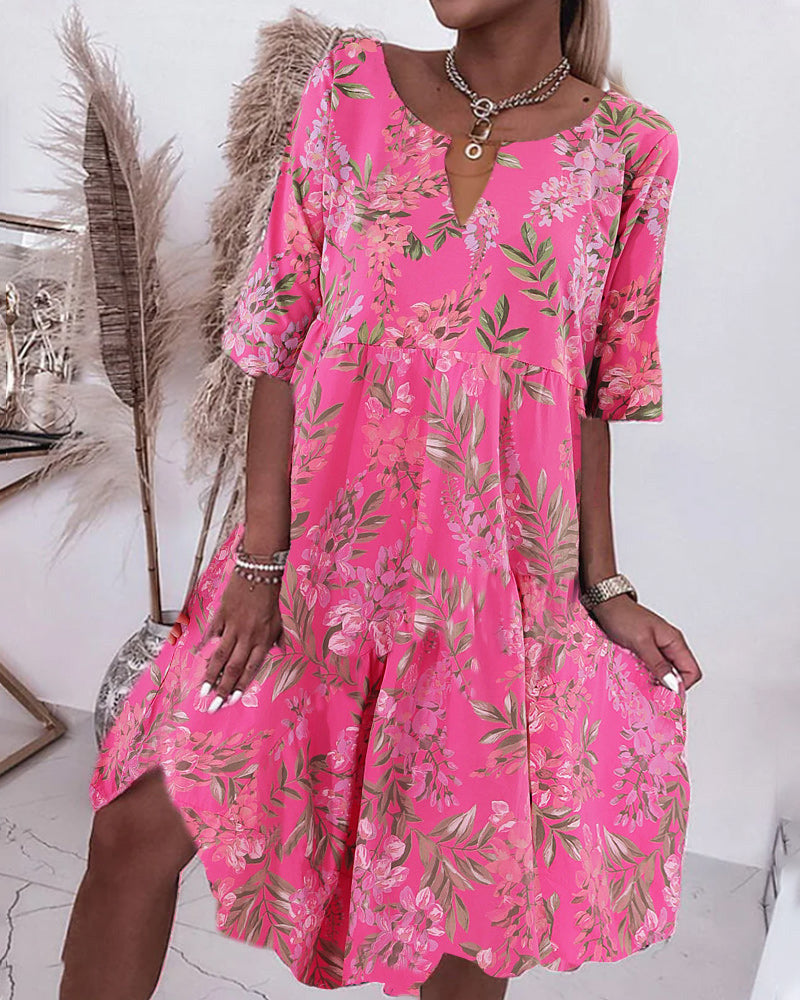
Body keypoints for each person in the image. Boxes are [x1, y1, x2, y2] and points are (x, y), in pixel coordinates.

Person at [59, 1, 703, 998]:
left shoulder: (630, 148)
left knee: (462, 913)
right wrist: (258, 561)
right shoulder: (351, 83)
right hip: (317, 569)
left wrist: (605, 585)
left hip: (490, 598)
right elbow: (279, 328)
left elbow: (589, 391)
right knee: (136, 829)